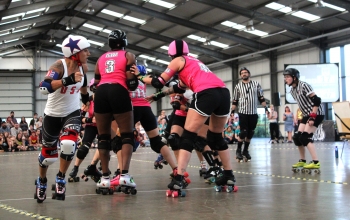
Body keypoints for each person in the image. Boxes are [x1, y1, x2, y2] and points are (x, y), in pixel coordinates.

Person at [133, 39, 237, 193]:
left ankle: (179, 178)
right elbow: (177, 88)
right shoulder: (193, 63)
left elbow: (158, 82)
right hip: (223, 93)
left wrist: (140, 77)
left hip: (206, 93)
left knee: (188, 136)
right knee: (215, 138)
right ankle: (228, 175)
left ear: (171, 54)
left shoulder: (178, 60)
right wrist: (156, 97)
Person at [35, 34, 91, 203]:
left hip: (71, 112)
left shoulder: (84, 68)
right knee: (47, 157)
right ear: (74, 53)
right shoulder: (59, 65)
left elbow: (83, 85)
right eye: (85, 50)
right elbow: (44, 88)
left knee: (68, 144)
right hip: (52, 114)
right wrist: (67, 80)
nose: (88, 53)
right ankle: (42, 182)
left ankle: (61, 178)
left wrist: (87, 100)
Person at [92, 29, 138, 192]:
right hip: (118, 91)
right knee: (126, 135)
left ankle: (105, 179)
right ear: (124, 42)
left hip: (101, 93)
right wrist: (137, 77)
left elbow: (95, 83)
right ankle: (124, 175)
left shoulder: (101, 58)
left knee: (103, 137)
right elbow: (131, 84)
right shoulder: (128, 56)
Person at [283, 68, 324, 172]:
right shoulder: (292, 90)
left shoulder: (304, 86)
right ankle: (302, 160)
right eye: (285, 77)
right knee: (297, 137)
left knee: (305, 137)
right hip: (306, 114)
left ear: (294, 77)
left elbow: (317, 100)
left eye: (287, 77)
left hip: (316, 113)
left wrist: (312, 116)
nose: (285, 79)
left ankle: (316, 162)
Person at [232, 67, 269, 162]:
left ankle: (245, 150)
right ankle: (238, 150)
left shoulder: (256, 84)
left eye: (246, 72)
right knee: (243, 132)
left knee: (250, 132)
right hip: (243, 112)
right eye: (242, 73)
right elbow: (235, 100)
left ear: (249, 74)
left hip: (253, 112)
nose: (244, 74)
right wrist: (232, 112)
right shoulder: (238, 86)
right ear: (240, 76)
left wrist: (266, 109)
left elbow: (261, 98)